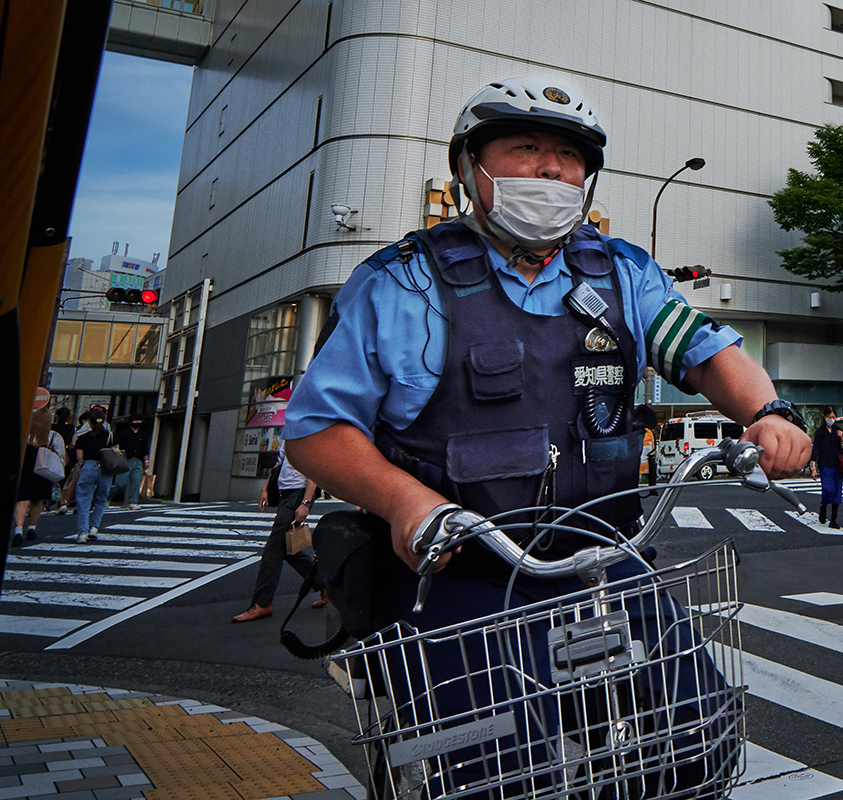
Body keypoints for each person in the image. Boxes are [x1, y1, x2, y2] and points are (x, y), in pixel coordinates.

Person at [282, 77, 811, 791]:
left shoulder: (621, 273)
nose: (552, 169)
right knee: (502, 775)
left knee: (699, 740)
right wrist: (407, 502)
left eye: (569, 156)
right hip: (460, 570)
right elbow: (316, 430)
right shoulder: (400, 283)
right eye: (526, 148)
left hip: (604, 556)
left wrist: (768, 412)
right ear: (470, 166)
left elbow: (706, 350)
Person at [232, 444, 328, 623]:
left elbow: (313, 469)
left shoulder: (306, 432)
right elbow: (279, 463)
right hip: (285, 495)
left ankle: (262, 603)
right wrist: (265, 488)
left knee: (272, 551)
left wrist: (305, 503)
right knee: (288, 549)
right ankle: (324, 583)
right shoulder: (289, 435)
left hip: (298, 495)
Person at [13, 402, 65, 547]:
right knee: (37, 500)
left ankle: (18, 530)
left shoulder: (25, 433)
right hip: (43, 468)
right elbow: (61, 455)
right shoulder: (53, 436)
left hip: (26, 468)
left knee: (22, 499)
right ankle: (32, 528)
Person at [72, 405, 113, 543]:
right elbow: (116, 451)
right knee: (101, 498)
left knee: (83, 500)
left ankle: (82, 533)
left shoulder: (83, 438)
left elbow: (80, 458)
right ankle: (94, 527)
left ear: (89, 423)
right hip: (105, 468)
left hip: (88, 467)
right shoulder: (110, 437)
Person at [809, 406, 843, 529]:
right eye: (829, 417)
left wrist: (841, 438)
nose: (832, 419)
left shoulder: (838, 430)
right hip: (825, 465)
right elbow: (815, 449)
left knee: (837, 492)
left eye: (834, 417)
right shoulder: (820, 432)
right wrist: (814, 468)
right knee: (828, 489)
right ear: (825, 417)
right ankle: (823, 506)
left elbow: (842, 448)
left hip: (838, 465)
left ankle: (833, 520)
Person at [110, 415, 150, 509]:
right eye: (135, 420)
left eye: (139, 420)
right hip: (125, 460)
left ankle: (133, 502)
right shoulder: (124, 434)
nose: (138, 422)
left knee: (136, 483)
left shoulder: (143, 435)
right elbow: (117, 447)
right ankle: (105, 496)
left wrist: (146, 461)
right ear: (131, 422)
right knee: (120, 483)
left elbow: (145, 449)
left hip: (138, 460)